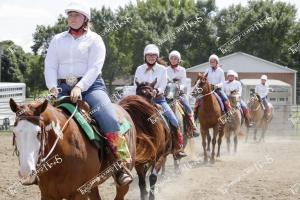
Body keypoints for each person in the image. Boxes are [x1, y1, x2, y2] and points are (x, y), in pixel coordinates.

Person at [44, 0, 132, 185]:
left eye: (76, 15)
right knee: (40, 120)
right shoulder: (57, 40)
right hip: (61, 87)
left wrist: (80, 87)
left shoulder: (95, 39)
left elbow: (95, 67)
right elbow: (50, 66)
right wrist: (52, 87)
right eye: (70, 15)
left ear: (85, 18)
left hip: (91, 86)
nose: (72, 18)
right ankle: (39, 167)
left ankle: (120, 164)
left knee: (108, 116)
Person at [134, 44, 187, 159]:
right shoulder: (139, 69)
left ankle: (178, 147)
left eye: (154, 56)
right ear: (145, 56)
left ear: (157, 57)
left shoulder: (162, 69)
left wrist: (156, 91)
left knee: (174, 121)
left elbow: (163, 84)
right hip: (142, 101)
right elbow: (136, 84)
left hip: (159, 99)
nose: (151, 57)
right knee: (128, 121)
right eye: (149, 55)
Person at [166, 50, 196, 130]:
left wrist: (179, 88)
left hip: (180, 93)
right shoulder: (166, 69)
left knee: (187, 105)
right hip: (168, 93)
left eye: (175, 58)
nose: (173, 60)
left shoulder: (182, 69)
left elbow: (183, 83)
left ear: (178, 60)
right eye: (171, 58)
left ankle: (192, 125)